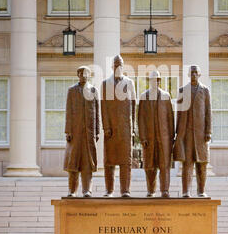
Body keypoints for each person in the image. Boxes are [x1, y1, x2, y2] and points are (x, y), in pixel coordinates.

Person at [101, 55, 136, 197]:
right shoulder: (105, 84)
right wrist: (106, 127)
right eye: (115, 65)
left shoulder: (130, 83)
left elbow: (133, 106)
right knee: (109, 161)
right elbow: (103, 107)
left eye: (120, 65)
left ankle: (125, 190)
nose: (117, 67)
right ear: (112, 67)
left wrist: (133, 128)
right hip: (111, 129)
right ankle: (109, 190)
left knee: (125, 161)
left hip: (126, 129)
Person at [174, 65, 212, 198]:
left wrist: (209, 131)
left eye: (196, 72)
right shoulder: (182, 91)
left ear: (199, 74)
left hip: (201, 134)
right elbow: (178, 114)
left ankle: (201, 191)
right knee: (187, 163)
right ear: (189, 75)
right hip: (186, 134)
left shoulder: (205, 91)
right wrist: (177, 133)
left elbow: (208, 112)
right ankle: (186, 191)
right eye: (192, 72)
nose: (194, 74)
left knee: (202, 163)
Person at [63, 66, 99, 197]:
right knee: (73, 162)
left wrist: (97, 132)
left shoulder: (94, 90)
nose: (84, 75)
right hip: (75, 133)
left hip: (89, 134)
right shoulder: (71, 91)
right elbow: (68, 111)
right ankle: (72, 190)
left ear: (89, 75)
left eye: (86, 73)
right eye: (81, 73)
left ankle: (87, 190)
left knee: (88, 163)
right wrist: (68, 131)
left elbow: (97, 112)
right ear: (78, 74)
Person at [138, 70, 174, 198]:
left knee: (164, 165)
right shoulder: (144, 96)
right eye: (153, 79)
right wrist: (142, 137)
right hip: (149, 137)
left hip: (164, 138)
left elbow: (170, 117)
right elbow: (140, 118)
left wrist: (171, 137)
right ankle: (151, 190)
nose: (156, 81)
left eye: (158, 79)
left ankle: (165, 190)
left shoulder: (166, 96)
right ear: (150, 81)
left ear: (160, 81)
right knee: (150, 166)